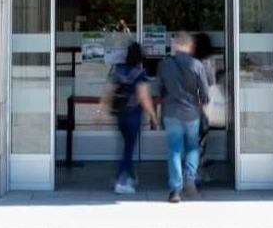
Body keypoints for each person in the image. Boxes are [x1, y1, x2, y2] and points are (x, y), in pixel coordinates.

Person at [149, 31, 212, 203]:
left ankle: (175, 190)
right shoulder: (197, 65)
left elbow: (158, 89)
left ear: (175, 45)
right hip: (192, 113)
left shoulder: (164, 64)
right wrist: (203, 108)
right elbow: (205, 94)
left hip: (171, 112)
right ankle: (189, 177)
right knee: (192, 147)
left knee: (175, 150)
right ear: (190, 46)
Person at [96, 42, 158, 195]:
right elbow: (144, 97)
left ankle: (129, 175)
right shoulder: (140, 74)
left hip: (120, 115)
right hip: (133, 115)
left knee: (126, 147)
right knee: (128, 149)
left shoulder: (119, 70)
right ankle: (121, 181)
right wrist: (153, 115)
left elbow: (108, 91)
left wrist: (100, 110)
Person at [193, 32, 224, 185]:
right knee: (202, 138)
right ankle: (198, 170)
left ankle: (197, 170)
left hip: (194, 103)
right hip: (207, 103)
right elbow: (214, 82)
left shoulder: (193, 62)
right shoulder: (211, 61)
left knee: (196, 138)